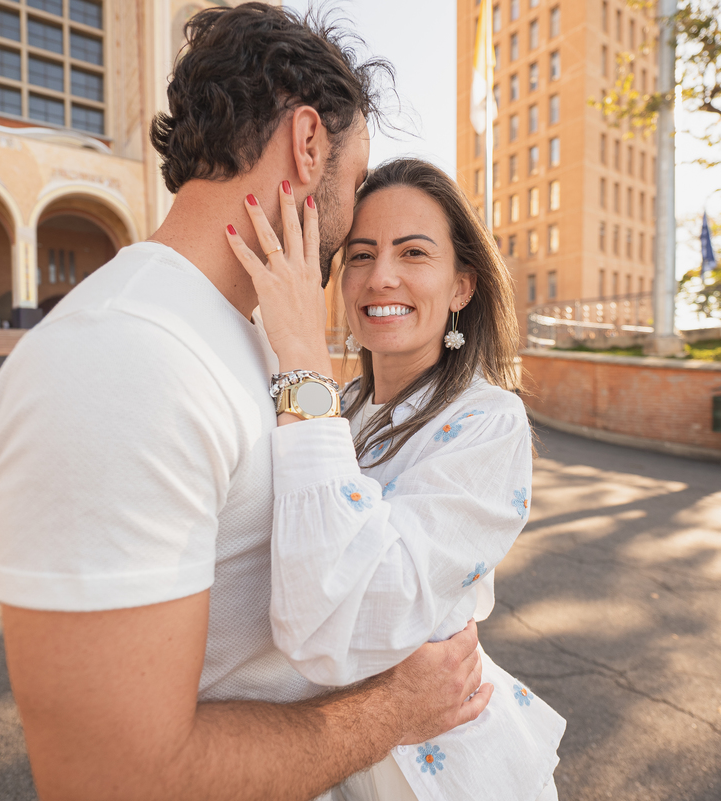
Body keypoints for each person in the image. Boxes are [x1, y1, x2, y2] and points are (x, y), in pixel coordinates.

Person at [0, 5, 492, 801]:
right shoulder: (119, 359)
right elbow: (115, 778)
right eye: (355, 183)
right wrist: (394, 709)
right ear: (309, 142)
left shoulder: (237, 336)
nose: (356, 215)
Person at [225, 159, 566, 800]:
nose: (381, 276)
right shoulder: (336, 407)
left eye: (414, 252)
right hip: (326, 756)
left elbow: (338, 621)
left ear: (462, 285)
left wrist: (301, 353)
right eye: (360, 254)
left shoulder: (488, 420)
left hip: (441, 769)